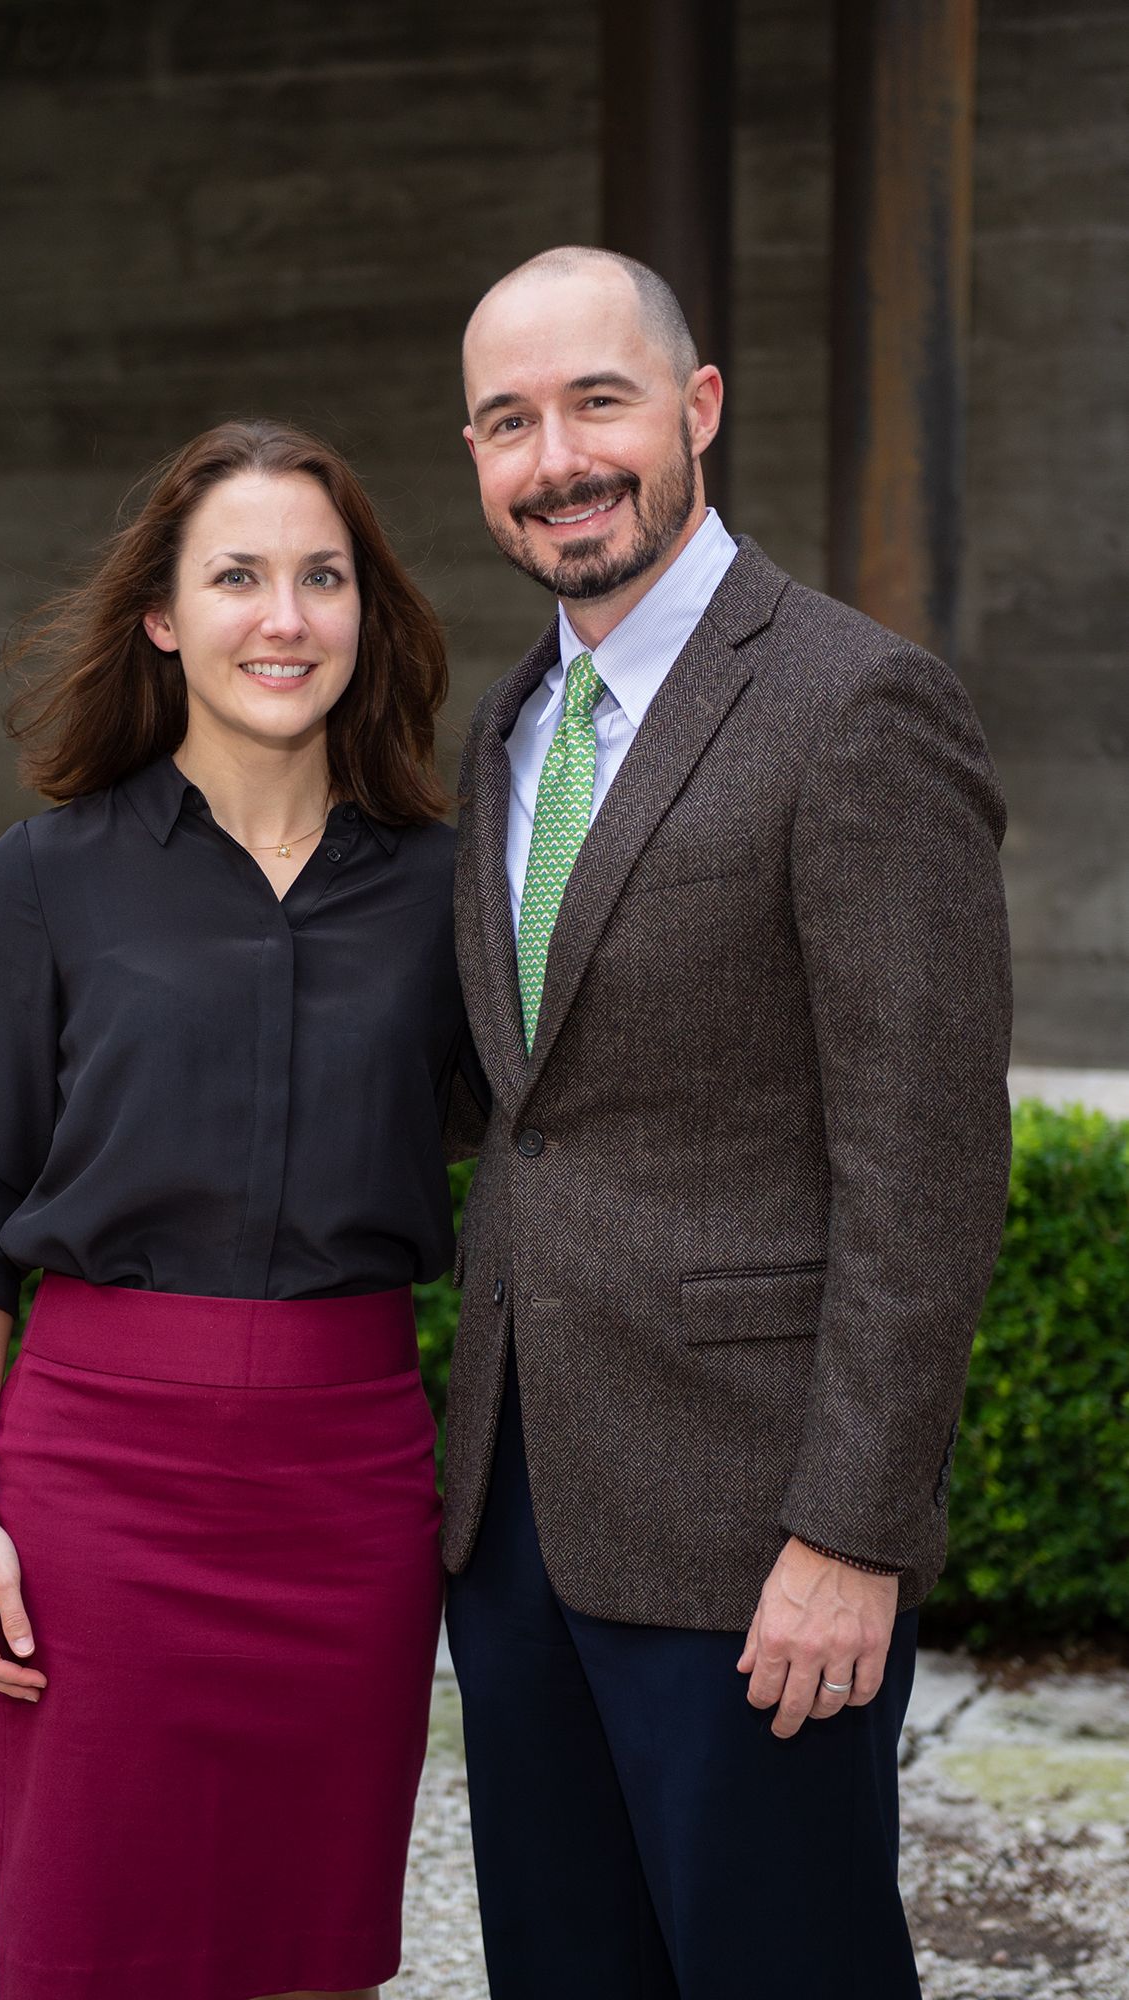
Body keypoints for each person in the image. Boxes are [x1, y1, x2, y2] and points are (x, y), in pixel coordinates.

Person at [442, 246, 1014, 1999]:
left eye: (597, 402)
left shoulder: (856, 705)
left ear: (695, 411)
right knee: (566, 1966)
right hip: (517, 1512)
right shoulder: (507, 725)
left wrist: (853, 1532)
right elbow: (527, 1117)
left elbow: (925, 1164)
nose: (557, 459)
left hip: (756, 1531)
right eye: (507, 421)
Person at [0, 419, 485, 2000]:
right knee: (91, 1948)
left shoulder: (446, 892)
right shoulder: (44, 878)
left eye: (321, 576)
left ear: (366, 614)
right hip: (98, 1486)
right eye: (236, 576)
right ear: (164, 615)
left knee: (313, 1948)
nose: (282, 616)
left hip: (353, 1483)